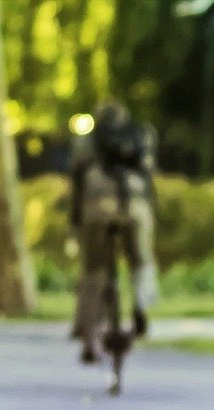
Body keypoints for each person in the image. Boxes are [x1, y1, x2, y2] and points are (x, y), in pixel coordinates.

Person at [69, 102, 160, 365]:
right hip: (134, 206)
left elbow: (76, 183)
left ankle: (89, 340)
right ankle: (141, 305)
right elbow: (149, 175)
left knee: (92, 271)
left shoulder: (86, 143)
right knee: (141, 260)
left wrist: (75, 223)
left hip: (97, 208)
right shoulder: (141, 135)